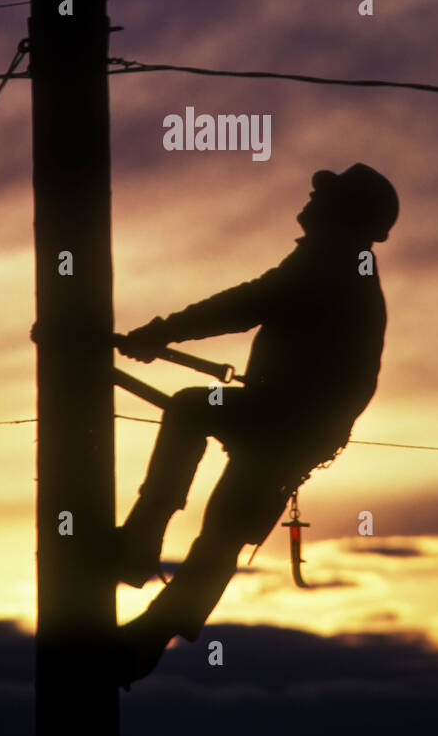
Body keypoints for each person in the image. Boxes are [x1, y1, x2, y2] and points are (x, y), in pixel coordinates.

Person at [113, 162, 399, 687]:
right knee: (224, 529)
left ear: (342, 214)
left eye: (324, 197)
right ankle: (145, 637)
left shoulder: (333, 259)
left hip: (286, 419)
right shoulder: (345, 262)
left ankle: (139, 549)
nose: (311, 201)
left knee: (192, 413)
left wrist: (163, 332)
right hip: (296, 425)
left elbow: (250, 302)